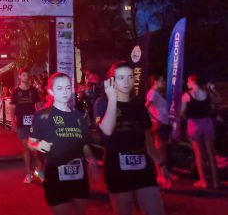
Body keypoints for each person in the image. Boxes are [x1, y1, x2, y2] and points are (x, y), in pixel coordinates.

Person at [95, 61, 169, 215]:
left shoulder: (138, 104)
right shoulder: (103, 103)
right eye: (121, 77)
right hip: (117, 168)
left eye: (130, 77)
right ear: (112, 80)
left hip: (143, 169)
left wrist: (161, 164)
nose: (126, 81)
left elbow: (147, 139)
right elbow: (107, 131)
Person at [28, 73, 99, 215]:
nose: (65, 92)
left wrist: (92, 160)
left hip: (79, 174)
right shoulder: (42, 116)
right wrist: (38, 145)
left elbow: (84, 144)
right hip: (55, 175)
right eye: (59, 88)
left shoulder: (77, 115)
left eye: (68, 87)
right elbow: (31, 143)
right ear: (51, 91)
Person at [180, 74, 219, 189]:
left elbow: (182, 113)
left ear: (193, 82)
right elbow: (217, 101)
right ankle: (216, 182)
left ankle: (204, 182)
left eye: (188, 81)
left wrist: (184, 116)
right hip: (207, 123)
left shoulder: (186, 95)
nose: (187, 83)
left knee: (199, 155)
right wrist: (212, 90)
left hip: (194, 125)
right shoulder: (207, 93)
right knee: (211, 154)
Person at [10, 68, 43, 183]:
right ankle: (28, 173)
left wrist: (41, 119)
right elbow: (12, 108)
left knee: (38, 148)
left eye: (27, 75)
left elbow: (38, 106)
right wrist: (13, 122)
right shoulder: (15, 92)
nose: (25, 77)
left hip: (34, 123)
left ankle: (39, 172)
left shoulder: (33, 90)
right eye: (23, 75)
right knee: (26, 149)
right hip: (22, 124)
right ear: (20, 77)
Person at [145, 75, 173, 187]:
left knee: (161, 151)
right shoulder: (153, 93)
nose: (164, 82)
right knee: (160, 151)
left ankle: (162, 175)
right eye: (162, 80)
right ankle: (161, 177)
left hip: (163, 125)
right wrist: (156, 119)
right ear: (155, 82)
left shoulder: (157, 94)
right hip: (160, 125)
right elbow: (146, 107)